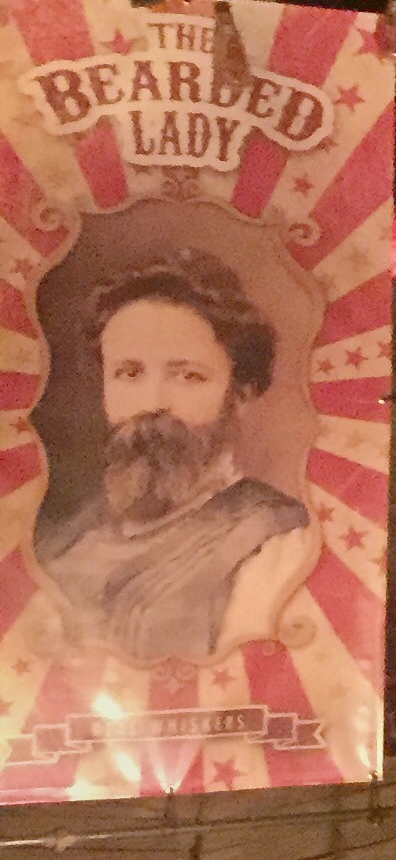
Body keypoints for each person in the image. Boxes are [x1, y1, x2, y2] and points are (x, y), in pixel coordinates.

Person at [37, 248, 312, 661]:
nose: (152, 402)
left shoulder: (274, 542)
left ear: (240, 393)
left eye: (188, 376)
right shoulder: (65, 540)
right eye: (129, 373)